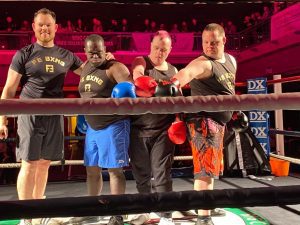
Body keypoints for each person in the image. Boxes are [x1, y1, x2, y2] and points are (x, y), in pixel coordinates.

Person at [170, 23, 236, 225]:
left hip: (218, 122)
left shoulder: (231, 60)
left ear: (224, 40)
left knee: (212, 168)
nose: (209, 47)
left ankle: (204, 205)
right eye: (206, 42)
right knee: (205, 171)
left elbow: (228, 89)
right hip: (203, 123)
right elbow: (186, 73)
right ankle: (203, 218)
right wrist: (174, 84)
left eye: (214, 42)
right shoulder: (203, 63)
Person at [67, 34, 134, 225]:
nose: (95, 55)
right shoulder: (86, 67)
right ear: (85, 52)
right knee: (92, 170)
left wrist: (127, 89)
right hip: (92, 128)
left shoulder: (115, 67)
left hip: (113, 126)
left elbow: (131, 90)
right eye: (91, 52)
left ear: (105, 50)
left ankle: (117, 213)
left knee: (114, 170)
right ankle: (93, 209)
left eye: (99, 51)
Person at [130, 30, 178, 225]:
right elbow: (137, 74)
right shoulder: (141, 61)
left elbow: (178, 99)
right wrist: (145, 82)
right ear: (150, 46)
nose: (160, 53)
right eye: (157, 48)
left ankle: (165, 215)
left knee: (162, 173)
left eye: (164, 50)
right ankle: (145, 210)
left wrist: (177, 120)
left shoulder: (173, 71)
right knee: (141, 174)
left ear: (170, 50)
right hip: (139, 128)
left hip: (163, 130)